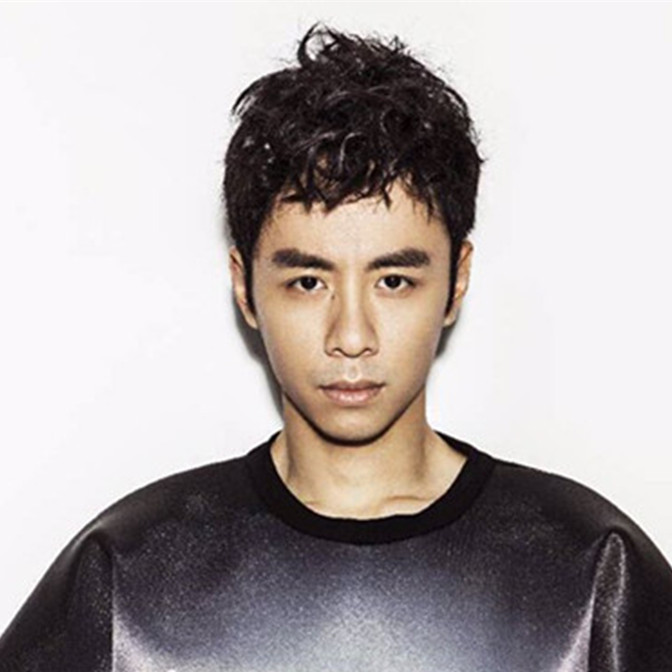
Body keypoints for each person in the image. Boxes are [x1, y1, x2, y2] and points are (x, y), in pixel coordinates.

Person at [1, 24, 671, 672]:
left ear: (457, 280)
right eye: (308, 281)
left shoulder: (592, 574)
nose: (351, 336)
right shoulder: (129, 578)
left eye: (394, 280)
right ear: (245, 286)